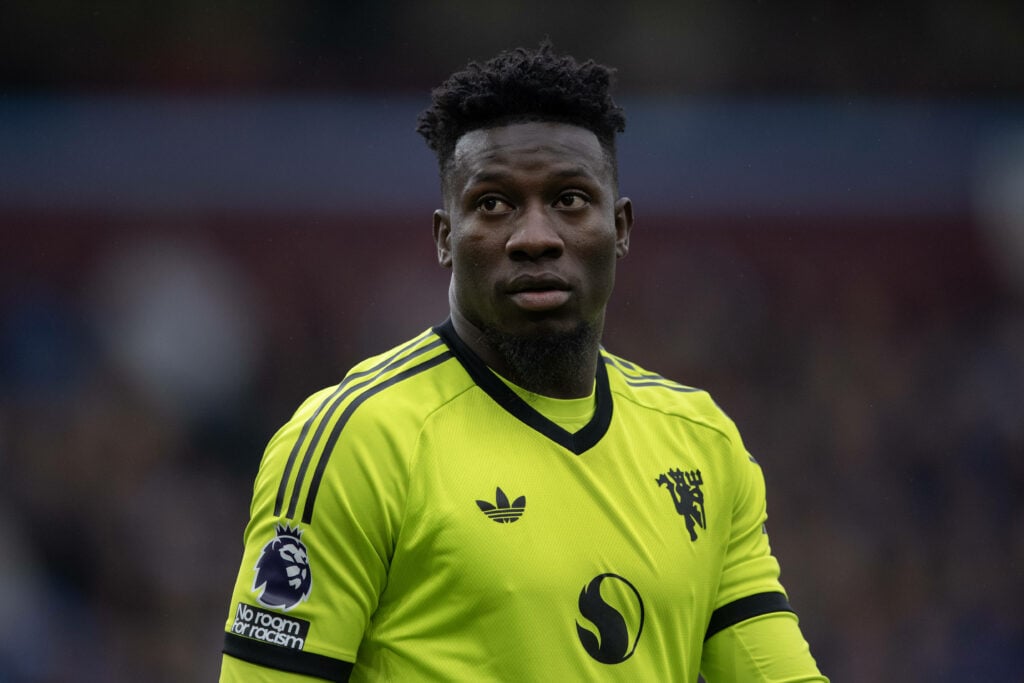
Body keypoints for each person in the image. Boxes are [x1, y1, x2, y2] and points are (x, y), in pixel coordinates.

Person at [220, 43, 828, 682]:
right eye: (493, 204)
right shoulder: (356, 442)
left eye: (569, 200)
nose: (535, 236)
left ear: (619, 227)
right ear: (444, 238)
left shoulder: (702, 443)